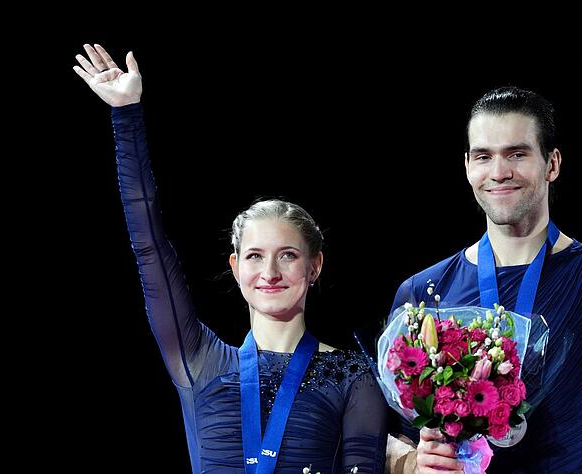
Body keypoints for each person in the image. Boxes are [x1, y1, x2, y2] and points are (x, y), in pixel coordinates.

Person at [386, 8, 582, 473]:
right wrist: (414, 460)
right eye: (483, 156)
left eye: (517, 154)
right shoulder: (423, 291)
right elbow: (393, 433)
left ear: (552, 164)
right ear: (467, 167)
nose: (499, 172)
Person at [73, 44, 387, 474]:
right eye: (255, 256)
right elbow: (149, 247)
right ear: (236, 268)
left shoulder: (353, 376)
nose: (270, 273)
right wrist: (126, 114)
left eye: (288, 256)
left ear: (314, 266)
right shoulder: (200, 360)